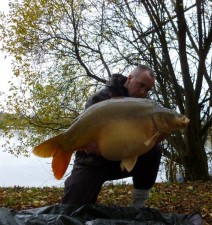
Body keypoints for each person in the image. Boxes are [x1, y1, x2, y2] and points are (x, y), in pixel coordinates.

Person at [61, 65, 163, 208]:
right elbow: (85, 131)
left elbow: (143, 140)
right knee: (71, 209)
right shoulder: (100, 99)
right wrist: (87, 144)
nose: (142, 92)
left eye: (147, 89)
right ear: (130, 78)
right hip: (92, 163)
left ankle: (139, 204)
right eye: (140, 85)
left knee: (154, 150)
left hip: (119, 162)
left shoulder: (144, 107)